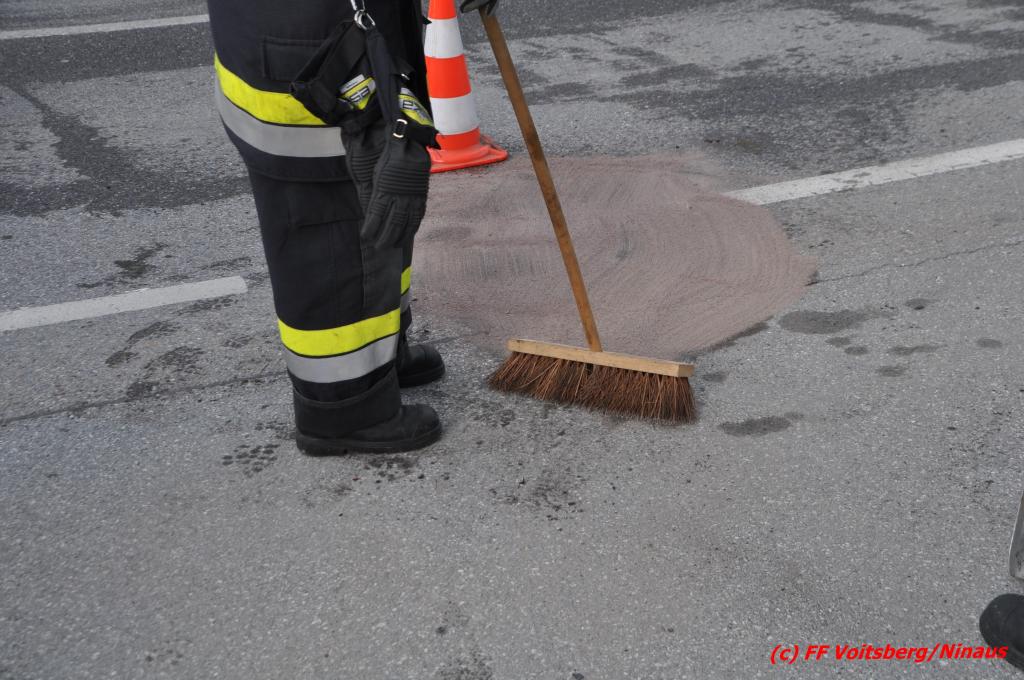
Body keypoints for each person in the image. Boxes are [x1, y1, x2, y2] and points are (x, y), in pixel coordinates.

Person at [205, 0, 496, 454]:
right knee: (337, 234)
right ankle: (344, 407)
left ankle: (381, 358)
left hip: (328, 40)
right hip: (316, 59)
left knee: (378, 217)